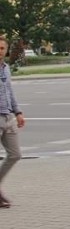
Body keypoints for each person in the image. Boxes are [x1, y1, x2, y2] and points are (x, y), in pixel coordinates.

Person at [0, 35, 25, 209]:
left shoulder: (6, 68)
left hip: (8, 117)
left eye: (2, 48)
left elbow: (10, 91)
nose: (0, 51)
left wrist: (18, 112)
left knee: (15, 154)